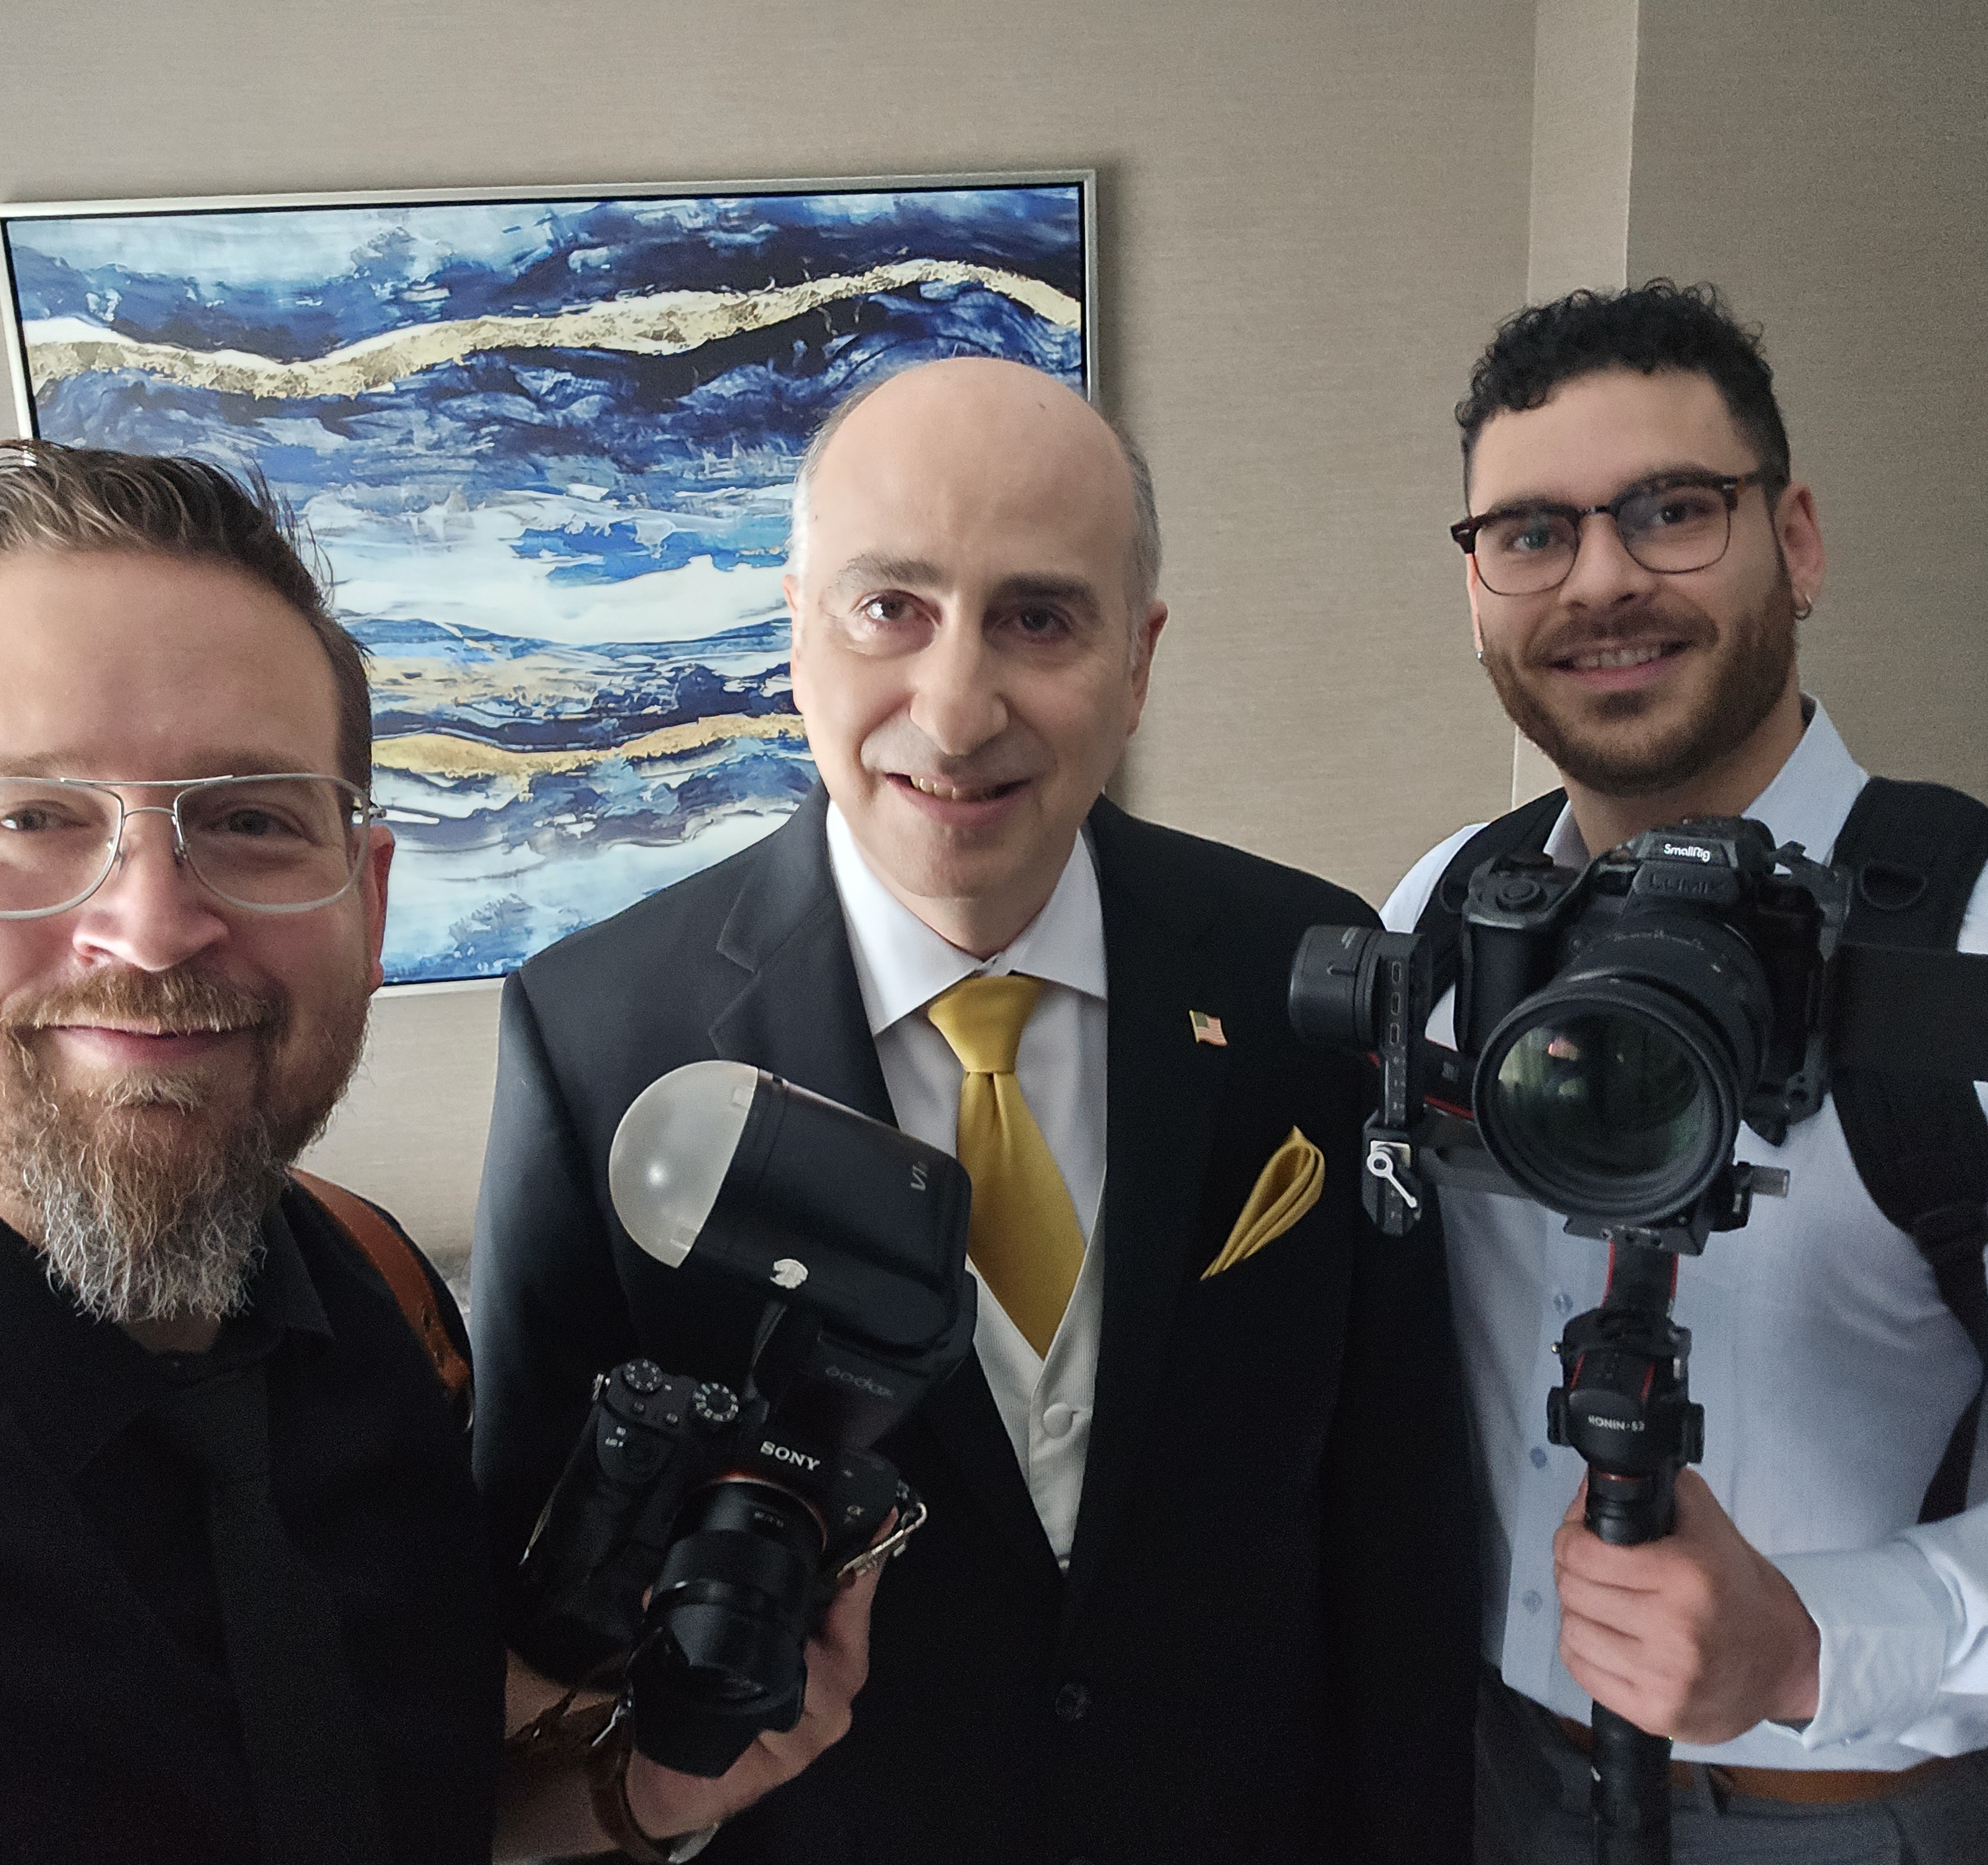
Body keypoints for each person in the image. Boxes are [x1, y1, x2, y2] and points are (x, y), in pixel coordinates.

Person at [0, 441, 867, 1865]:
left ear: (365, 904)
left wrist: (634, 1796)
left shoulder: (378, 1298)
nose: (152, 925)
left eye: (248, 819)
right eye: (32, 819)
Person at [471, 356, 1478, 1864]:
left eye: (1036, 617)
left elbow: (1393, 1517)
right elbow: (532, 1584)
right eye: (890, 610)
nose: (953, 712)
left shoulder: (1305, 975)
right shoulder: (596, 1034)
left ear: (1135, 662)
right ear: (794, 637)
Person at [1384, 282, 1988, 1860]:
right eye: (1529, 533)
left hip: (1838, 1808)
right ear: (1475, 592)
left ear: (1793, 543)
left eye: (1670, 512)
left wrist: (1808, 1641)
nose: (1598, 580)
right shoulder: (1442, 918)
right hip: (1467, 1781)